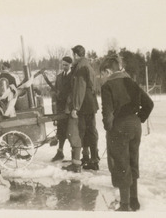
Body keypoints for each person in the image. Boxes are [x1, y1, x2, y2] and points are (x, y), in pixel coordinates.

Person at [100, 55, 153, 211]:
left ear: (108, 71)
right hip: (135, 126)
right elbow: (149, 103)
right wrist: (139, 119)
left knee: (121, 164)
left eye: (102, 74)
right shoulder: (131, 81)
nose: (102, 78)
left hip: (119, 128)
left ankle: (124, 205)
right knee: (132, 161)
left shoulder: (108, 86)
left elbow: (107, 113)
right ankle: (134, 201)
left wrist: (108, 127)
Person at [64, 45, 100, 171]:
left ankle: (91, 159)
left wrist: (76, 107)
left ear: (75, 55)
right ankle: (90, 158)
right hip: (90, 103)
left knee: (83, 131)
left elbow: (80, 88)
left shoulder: (80, 67)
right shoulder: (88, 65)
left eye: (73, 55)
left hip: (84, 104)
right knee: (90, 131)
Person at [51, 56, 73, 162]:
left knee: (72, 132)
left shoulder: (73, 76)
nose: (64, 66)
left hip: (69, 108)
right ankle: (60, 152)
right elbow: (55, 91)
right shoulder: (59, 77)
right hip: (60, 108)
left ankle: (75, 155)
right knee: (61, 131)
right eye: (63, 64)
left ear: (70, 65)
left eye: (66, 65)